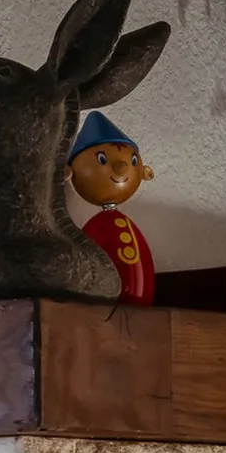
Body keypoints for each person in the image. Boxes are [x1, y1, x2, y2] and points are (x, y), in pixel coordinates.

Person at [69, 110, 156, 306]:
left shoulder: (108, 224)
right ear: (71, 172)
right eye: (102, 160)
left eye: (133, 161)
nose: (121, 168)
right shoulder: (95, 228)